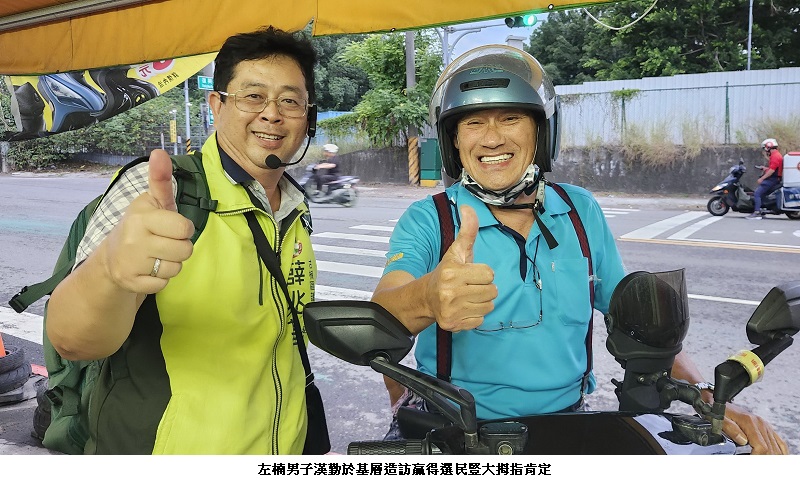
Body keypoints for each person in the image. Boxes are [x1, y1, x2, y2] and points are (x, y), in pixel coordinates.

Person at [371, 45, 788, 454]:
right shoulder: (431, 219)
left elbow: (636, 324)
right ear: (454, 142)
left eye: (511, 118)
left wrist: (705, 393)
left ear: (542, 132)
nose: (492, 138)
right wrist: (427, 296)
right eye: (473, 123)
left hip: (569, 425)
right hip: (457, 433)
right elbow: (384, 312)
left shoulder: (579, 210)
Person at [46, 26, 320, 454]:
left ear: (309, 116)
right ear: (217, 105)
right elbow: (72, 340)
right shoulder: (160, 189)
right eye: (252, 96)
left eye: (290, 100)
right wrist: (110, 271)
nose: (272, 113)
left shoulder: (294, 207)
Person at [747, 138, 784, 220]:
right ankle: (761, 210)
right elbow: (773, 168)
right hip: (775, 178)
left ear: (768, 147)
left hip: (772, 179)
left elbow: (772, 171)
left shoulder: (775, 156)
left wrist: (762, 178)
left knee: (757, 193)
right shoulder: (777, 155)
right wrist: (765, 168)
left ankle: (756, 212)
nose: (765, 150)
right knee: (762, 194)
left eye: (765, 148)